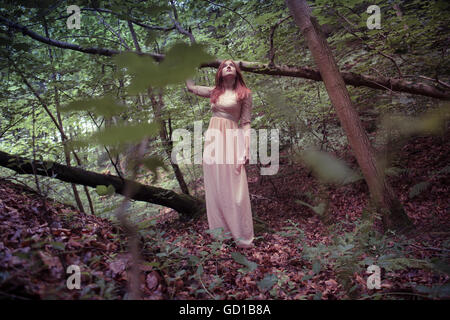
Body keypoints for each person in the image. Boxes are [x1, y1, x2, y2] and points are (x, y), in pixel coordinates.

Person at [185, 59, 254, 249]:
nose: (228, 66)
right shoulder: (214, 92)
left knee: (235, 185)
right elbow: (191, 87)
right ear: (220, 72)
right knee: (216, 186)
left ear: (237, 71)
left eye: (232, 64)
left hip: (232, 138)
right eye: (224, 65)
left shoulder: (244, 94)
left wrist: (246, 148)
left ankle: (241, 235)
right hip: (213, 140)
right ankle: (221, 235)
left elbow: (246, 123)